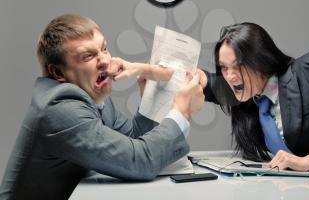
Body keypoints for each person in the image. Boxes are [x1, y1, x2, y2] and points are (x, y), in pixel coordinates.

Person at [0, 14, 205, 200]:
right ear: (58, 73)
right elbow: (140, 161)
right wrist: (182, 112)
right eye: (87, 56)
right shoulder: (59, 109)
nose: (105, 61)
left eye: (104, 48)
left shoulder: (92, 97)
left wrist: (152, 95)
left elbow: (132, 140)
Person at [198, 22, 309, 199]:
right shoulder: (247, 93)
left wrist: (308, 161)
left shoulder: (308, 70)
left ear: (260, 60)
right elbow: (205, 81)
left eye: (238, 65)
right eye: (224, 67)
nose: (230, 76)